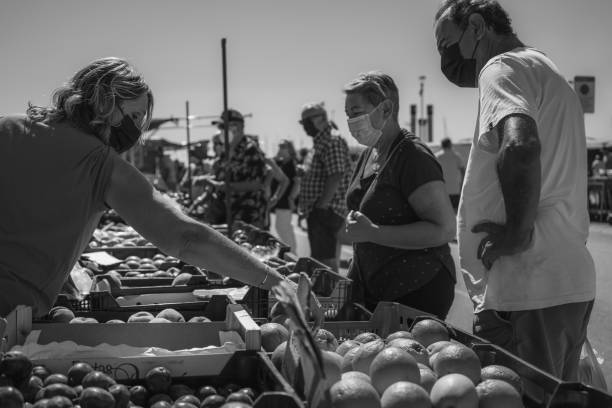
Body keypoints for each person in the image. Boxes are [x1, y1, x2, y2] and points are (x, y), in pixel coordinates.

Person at [0, 58, 290, 317]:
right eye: (135, 115)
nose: (138, 129)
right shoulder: (102, 165)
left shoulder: (7, 128)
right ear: (105, 103)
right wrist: (279, 284)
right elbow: (184, 237)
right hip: (10, 312)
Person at [434, 0, 595, 381]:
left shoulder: (500, 66)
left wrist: (516, 235)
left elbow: (521, 145)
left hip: (528, 289)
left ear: (476, 26)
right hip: (563, 284)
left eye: (445, 44)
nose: (444, 58)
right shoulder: (544, 68)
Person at [343, 71, 457, 319]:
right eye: (348, 114)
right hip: (375, 289)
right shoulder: (369, 153)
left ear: (385, 109)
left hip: (415, 289)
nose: (351, 121)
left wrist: (373, 233)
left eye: (356, 112)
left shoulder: (412, 156)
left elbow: (444, 229)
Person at [298, 102, 351, 271]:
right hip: (321, 210)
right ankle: (328, 294)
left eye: (307, 122)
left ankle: (329, 295)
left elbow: (336, 175)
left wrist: (321, 206)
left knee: (325, 262)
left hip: (326, 210)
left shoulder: (331, 140)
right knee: (323, 260)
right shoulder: (321, 141)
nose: (305, 127)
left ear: (320, 119)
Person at [203, 109, 268, 228]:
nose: (221, 131)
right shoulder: (225, 151)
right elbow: (221, 175)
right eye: (220, 127)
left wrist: (227, 186)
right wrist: (207, 180)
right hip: (227, 213)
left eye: (223, 127)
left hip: (247, 216)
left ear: (238, 127)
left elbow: (258, 183)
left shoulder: (251, 149)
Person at [271, 139, 300, 252]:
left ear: (290, 149)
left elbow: (297, 182)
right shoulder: (285, 163)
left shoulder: (291, 164)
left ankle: (292, 253)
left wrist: (291, 198)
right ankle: (292, 252)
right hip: (283, 200)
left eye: (283, 147)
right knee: (283, 227)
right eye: (280, 147)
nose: (280, 149)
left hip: (286, 200)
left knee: (282, 227)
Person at [435, 137, 465, 210]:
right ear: (450, 145)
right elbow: (463, 171)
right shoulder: (457, 156)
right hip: (455, 189)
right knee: (455, 211)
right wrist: (462, 185)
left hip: (442, 190)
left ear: (442, 145)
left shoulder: (437, 156)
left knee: (444, 211)